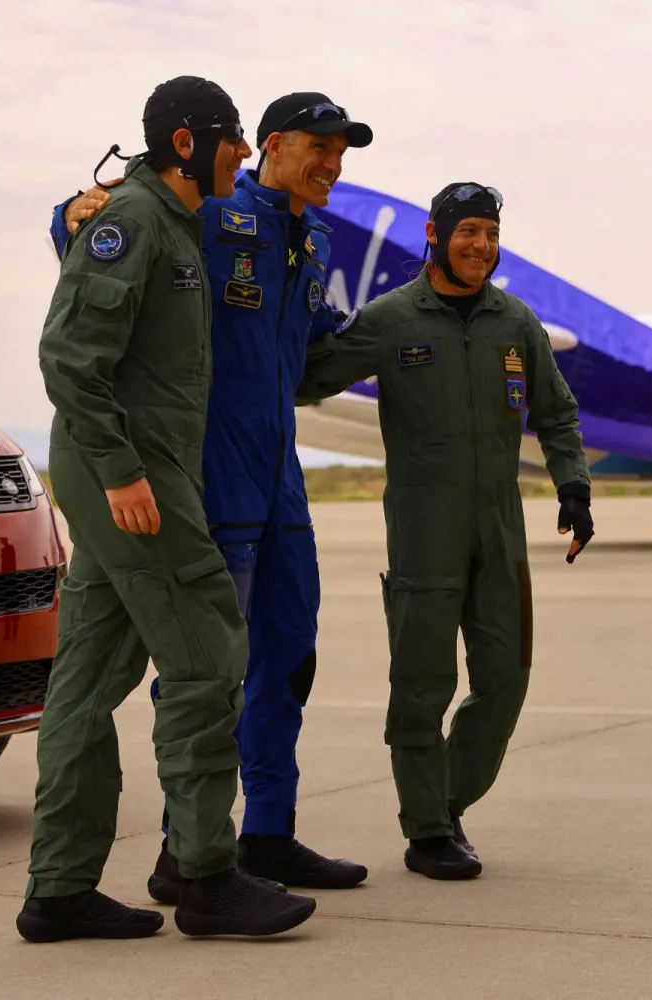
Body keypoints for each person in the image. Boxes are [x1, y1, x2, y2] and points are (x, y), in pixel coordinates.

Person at [49, 93, 375, 900]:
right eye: (318, 147)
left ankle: (267, 831)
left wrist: (408, 339)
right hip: (209, 475)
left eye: (343, 151)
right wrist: (69, 210)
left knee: (287, 656)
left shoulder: (315, 237)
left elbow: (306, 362)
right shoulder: (215, 214)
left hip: (280, 481)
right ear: (269, 146)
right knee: (207, 669)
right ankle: (189, 848)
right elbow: (113, 237)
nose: (332, 163)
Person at [295, 182, 595, 879]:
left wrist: (573, 485)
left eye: (490, 234)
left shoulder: (514, 321)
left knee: (505, 680)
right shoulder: (393, 318)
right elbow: (311, 378)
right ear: (435, 233)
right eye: (467, 233)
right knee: (422, 686)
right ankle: (427, 829)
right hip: (423, 532)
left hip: (500, 531)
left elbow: (556, 412)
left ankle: (445, 804)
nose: (480, 247)